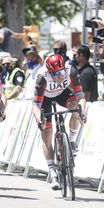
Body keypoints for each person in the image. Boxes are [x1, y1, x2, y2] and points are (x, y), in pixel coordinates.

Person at [32, 54, 86, 190]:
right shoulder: (42, 78)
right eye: (55, 74)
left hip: (62, 93)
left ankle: (72, 142)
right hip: (45, 98)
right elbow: (36, 106)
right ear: (49, 72)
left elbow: (81, 97)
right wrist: (40, 121)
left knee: (75, 108)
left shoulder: (71, 71)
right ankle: (52, 170)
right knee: (47, 130)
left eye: (61, 72)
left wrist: (82, 112)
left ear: (64, 69)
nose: (59, 76)